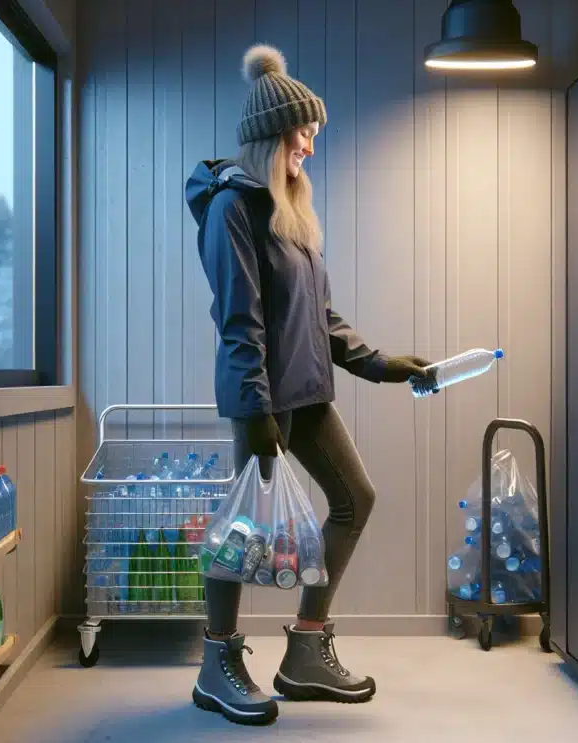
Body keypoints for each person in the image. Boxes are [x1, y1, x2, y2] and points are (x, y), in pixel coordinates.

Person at [184, 44, 433, 726]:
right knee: (243, 532)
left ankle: (304, 653)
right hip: (263, 400)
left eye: (313, 138)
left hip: (309, 393)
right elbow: (241, 322)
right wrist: (258, 412)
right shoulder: (233, 209)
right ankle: (216, 662)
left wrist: (383, 364)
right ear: (274, 134)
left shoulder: (293, 216)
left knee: (355, 497)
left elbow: (319, 319)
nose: (310, 150)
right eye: (304, 136)